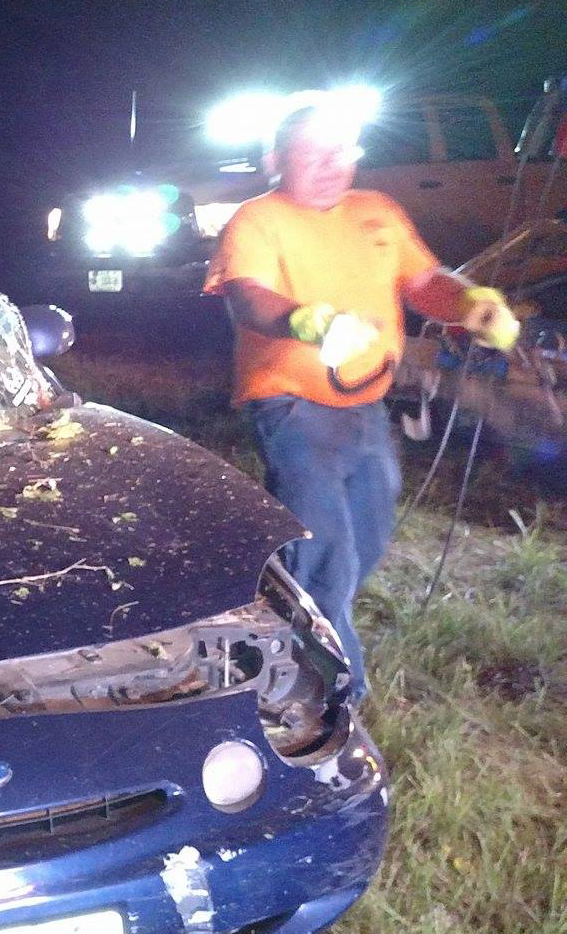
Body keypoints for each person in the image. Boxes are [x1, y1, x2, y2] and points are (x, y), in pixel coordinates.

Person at [205, 101, 520, 700]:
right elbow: (247, 296)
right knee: (328, 551)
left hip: (367, 407)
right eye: (313, 153)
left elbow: (424, 281)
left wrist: (470, 303)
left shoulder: (377, 211)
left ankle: (270, 619)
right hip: (291, 404)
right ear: (275, 160)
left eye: (344, 151)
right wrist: (307, 321)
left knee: (367, 536)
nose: (332, 165)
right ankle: (332, 693)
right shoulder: (257, 219)